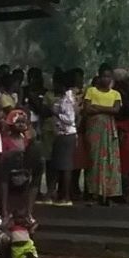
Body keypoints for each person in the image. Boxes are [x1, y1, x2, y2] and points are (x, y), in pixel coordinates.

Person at [83, 72, 123, 204]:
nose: (106, 79)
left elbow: (116, 110)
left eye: (108, 77)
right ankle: (94, 193)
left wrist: (98, 108)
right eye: (103, 76)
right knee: (94, 160)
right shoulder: (91, 91)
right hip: (94, 130)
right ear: (99, 78)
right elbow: (88, 109)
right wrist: (107, 109)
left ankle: (109, 194)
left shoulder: (116, 94)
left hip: (110, 131)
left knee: (111, 160)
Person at [50, 70, 78, 205]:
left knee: (65, 165)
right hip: (64, 133)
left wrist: (56, 113)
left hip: (66, 133)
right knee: (62, 164)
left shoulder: (67, 100)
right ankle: (62, 195)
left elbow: (69, 118)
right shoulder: (67, 97)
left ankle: (65, 197)